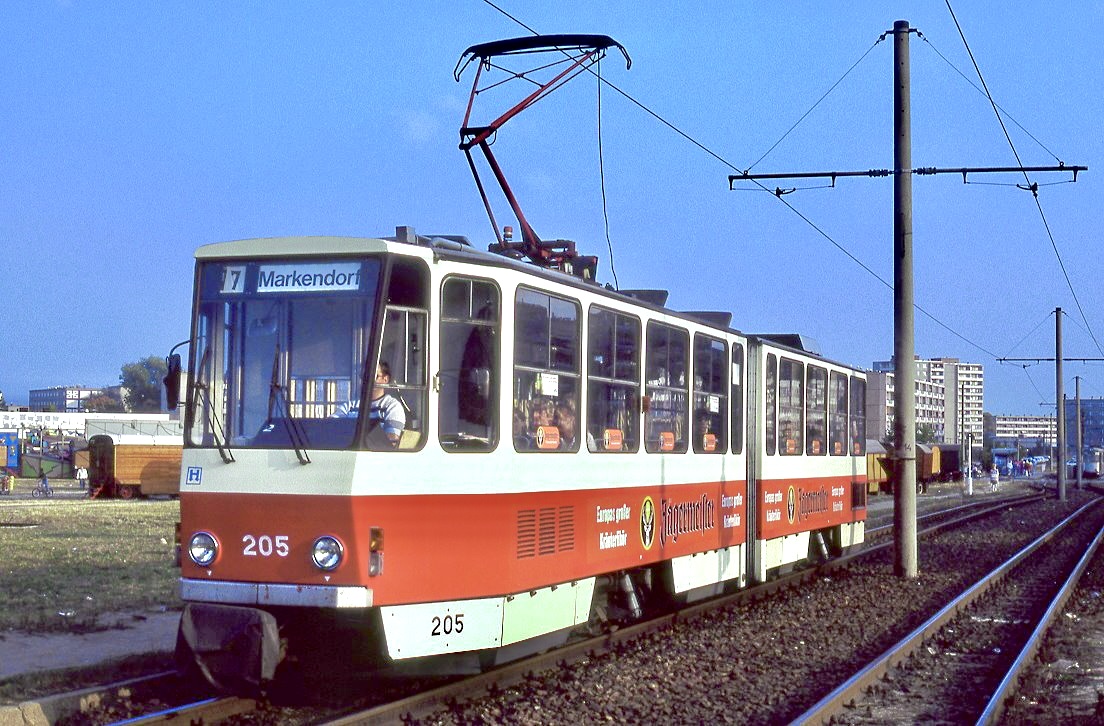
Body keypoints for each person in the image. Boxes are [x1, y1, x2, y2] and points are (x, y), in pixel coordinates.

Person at [334, 362, 406, 444]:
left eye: (375, 376)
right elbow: (331, 428)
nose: (368, 381)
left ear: (385, 379)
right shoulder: (349, 406)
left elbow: (391, 441)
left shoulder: (392, 406)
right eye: (364, 377)